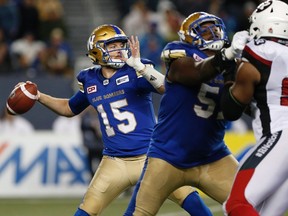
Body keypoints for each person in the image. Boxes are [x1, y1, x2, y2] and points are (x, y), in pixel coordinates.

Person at [21, 24, 213, 216]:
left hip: (151, 157)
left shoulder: (134, 71)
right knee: (87, 210)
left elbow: (166, 87)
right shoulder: (89, 79)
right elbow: (69, 108)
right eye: (113, 46)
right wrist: (39, 96)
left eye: (121, 44)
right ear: (97, 49)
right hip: (114, 161)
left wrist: (142, 67)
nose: (120, 50)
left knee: (188, 197)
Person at [123, 12, 250, 215]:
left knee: (252, 204)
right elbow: (194, 73)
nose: (212, 33)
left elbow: (242, 105)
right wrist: (225, 58)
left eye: (215, 28)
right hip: (167, 157)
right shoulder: (180, 52)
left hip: (213, 156)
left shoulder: (234, 61)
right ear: (189, 36)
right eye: (204, 29)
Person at [221, 1, 288, 215]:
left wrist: (230, 66)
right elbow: (267, 98)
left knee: (237, 204)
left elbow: (231, 109)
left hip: (279, 136)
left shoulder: (256, 51)